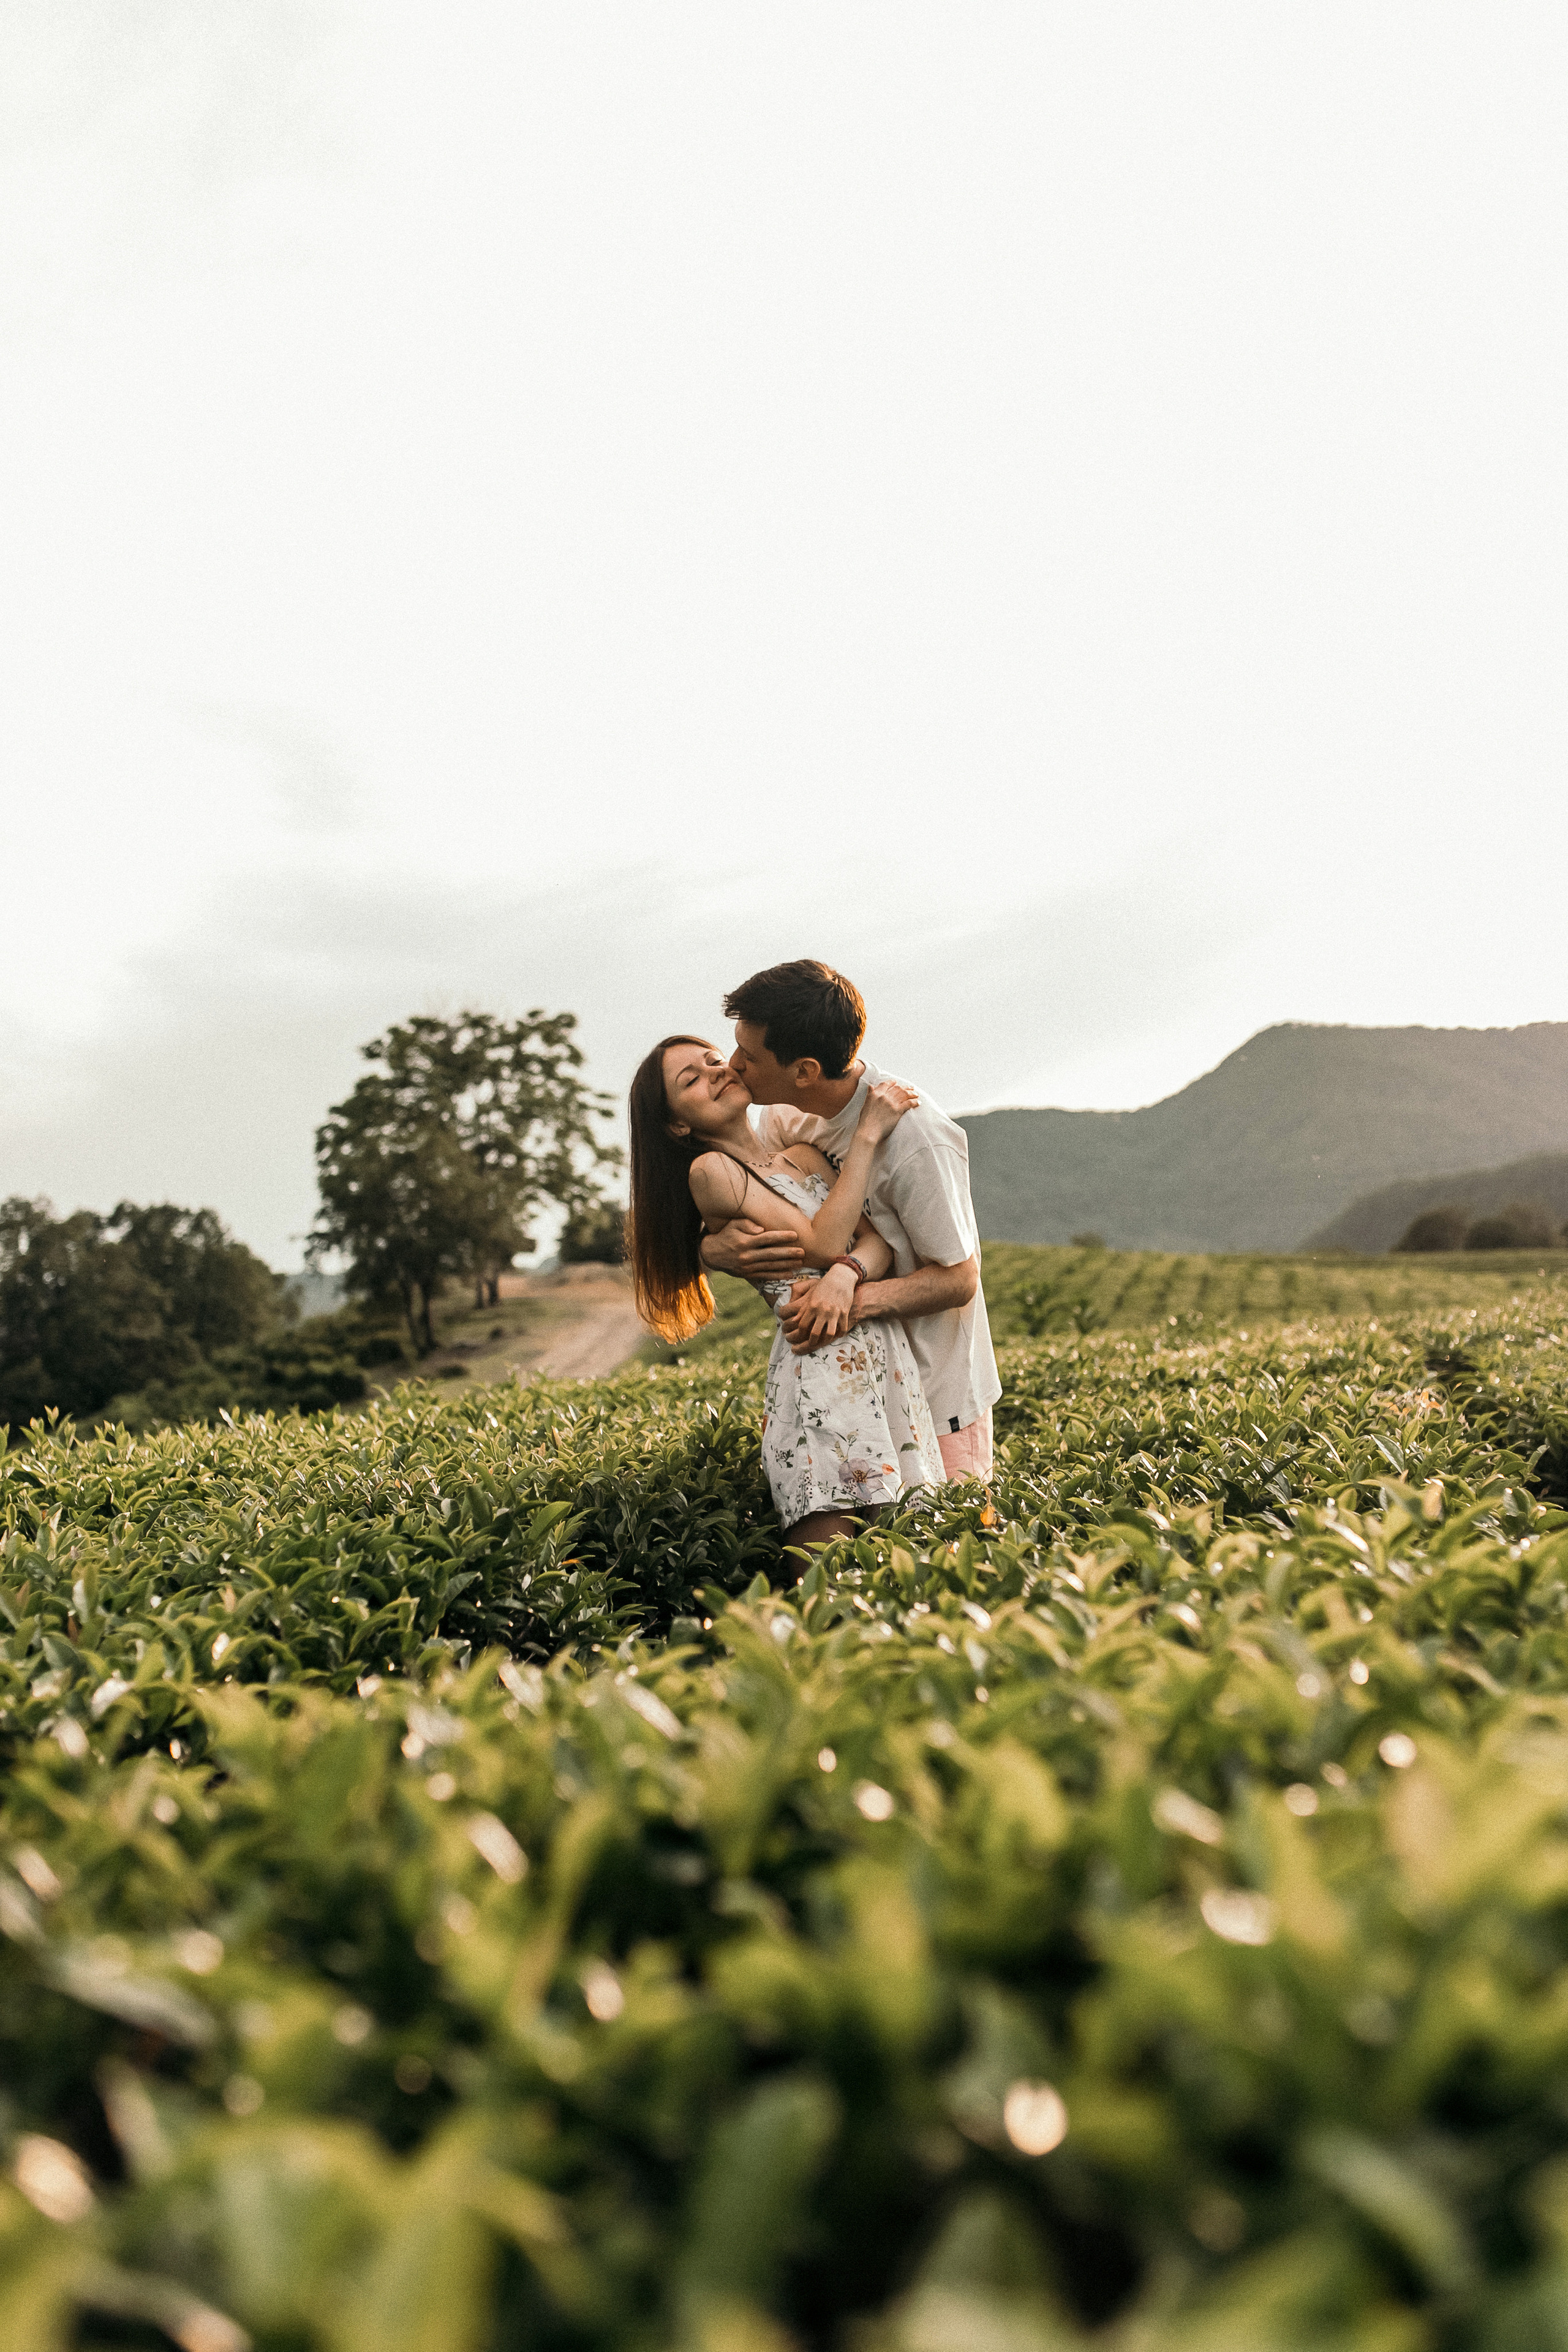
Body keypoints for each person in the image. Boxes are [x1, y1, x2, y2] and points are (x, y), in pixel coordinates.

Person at [625, 1034, 946, 1547]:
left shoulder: (803, 1156)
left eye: (713, 1061)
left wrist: (848, 1275)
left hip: (882, 1358)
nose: (715, 1072)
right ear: (677, 1124)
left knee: (911, 1552)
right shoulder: (711, 1171)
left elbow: (877, 1242)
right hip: (817, 1364)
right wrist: (866, 1137)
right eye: (692, 1079)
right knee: (828, 1570)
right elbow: (823, 1243)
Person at [700, 959, 1001, 1484]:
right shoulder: (786, 1116)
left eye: (748, 1056)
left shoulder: (917, 1140)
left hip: (937, 1398)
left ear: (805, 1070)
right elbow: (777, 1208)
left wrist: (852, 1297)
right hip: (851, 1393)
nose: (732, 1065)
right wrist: (711, 1251)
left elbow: (960, 1278)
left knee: (943, 1553)